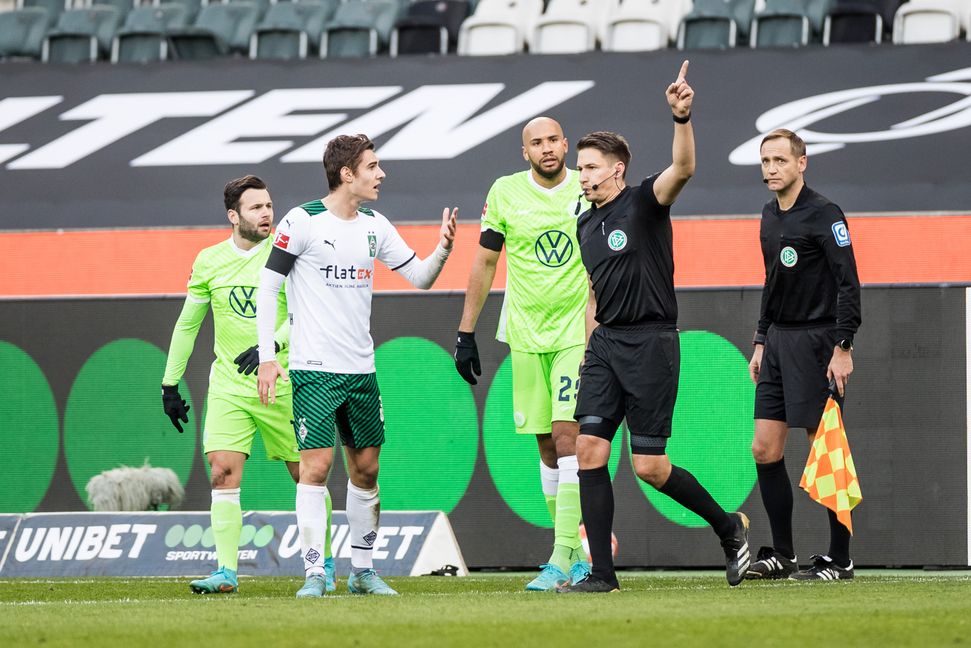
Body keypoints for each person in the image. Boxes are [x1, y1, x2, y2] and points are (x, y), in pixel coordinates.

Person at [558, 61, 750, 593]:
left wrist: (681, 118)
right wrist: (588, 341)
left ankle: (728, 527)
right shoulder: (584, 221)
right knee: (588, 451)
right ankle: (602, 575)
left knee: (649, 467)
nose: (584, 174)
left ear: (617, 169)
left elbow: (683, 169)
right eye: (581, 167)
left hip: (652, 343)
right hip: (605, 346)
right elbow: (595, 288)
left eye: (592, 166)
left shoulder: (645, 201)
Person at [255, 134, 457, 598]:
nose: (380, 174)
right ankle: (313, 573)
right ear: (347, 174)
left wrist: (443, 248)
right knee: (316, 469)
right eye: (372, 166)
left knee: (366, 471)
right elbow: (268, 288)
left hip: (361, 370)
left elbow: (421, 278)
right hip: (313, 368)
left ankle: (362, 572)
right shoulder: (300, 221)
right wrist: (268, 358)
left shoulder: (375, 225)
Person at [161, 175, 334, 595]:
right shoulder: (209, 261)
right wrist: (170, 383)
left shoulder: (290, 253)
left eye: (269, 205)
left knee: (307, 476)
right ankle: (225, 572)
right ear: (233, 216)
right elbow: (188, 323)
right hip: (230, 386)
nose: (267, 213)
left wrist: (270, 347)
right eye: (256, 207)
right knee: (221, 472)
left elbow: (306, 316)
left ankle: (323, 564)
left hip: (286, 381)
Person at [454, 116, 591, 591]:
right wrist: (465, 332)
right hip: (526, 334)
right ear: (524, 152)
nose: (547, 148)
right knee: (547, 446)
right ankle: (576, 556)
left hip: (577, 331)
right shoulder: (506, 192)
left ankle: (558, 557)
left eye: (554, 139)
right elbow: (486, 260)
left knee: (567, 435)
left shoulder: (586, 184)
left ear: (566, 144)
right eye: (537, 142)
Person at [744, 128, 862, 582]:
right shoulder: (768, 215)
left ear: (801, 163)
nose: (771, 169)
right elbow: (771, 282)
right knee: (764, 448)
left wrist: (843, 346)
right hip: (777, 341)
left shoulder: (825, 214)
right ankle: (784, 554)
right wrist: (760, 340)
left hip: (818, 343)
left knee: (825, 450)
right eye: (765, 161)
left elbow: (849, 283)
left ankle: (840, 558)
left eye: (779, 160)